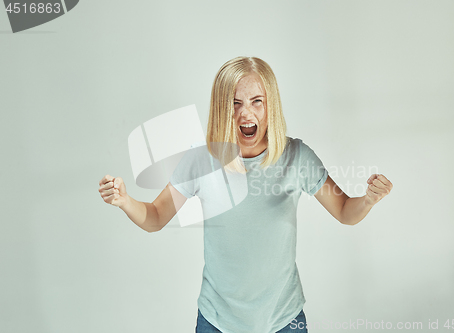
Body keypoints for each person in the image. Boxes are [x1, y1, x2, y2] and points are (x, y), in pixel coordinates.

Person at [98, 56, 393, 333]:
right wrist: (125, 201)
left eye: (256, 102)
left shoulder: (297, 157)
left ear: (271, 106)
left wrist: (367, 199)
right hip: (217, 321)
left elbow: (343, 211)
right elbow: (156, 216)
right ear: (221, 108)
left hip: (284, 319)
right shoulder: (200, 161)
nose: (245, 112)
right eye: (235, 103)